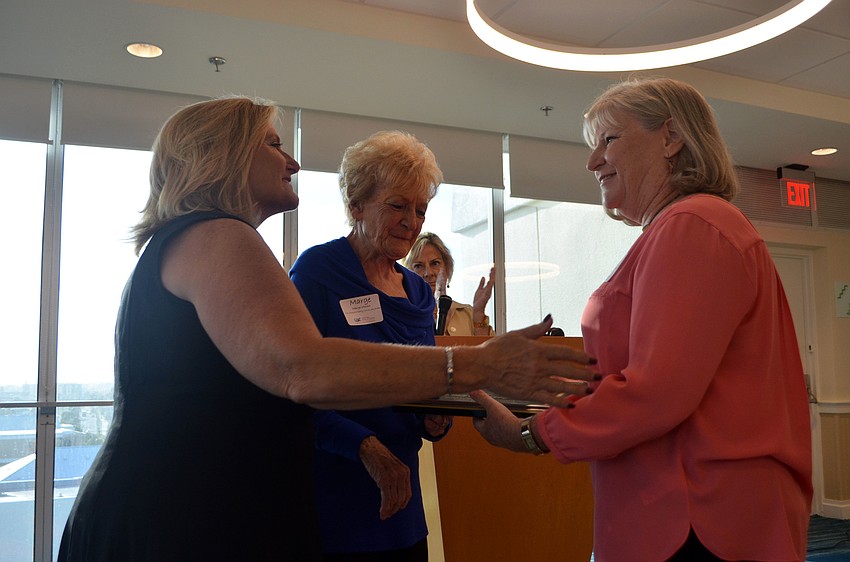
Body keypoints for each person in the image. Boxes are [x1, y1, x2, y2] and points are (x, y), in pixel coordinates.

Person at [56, 97, 598, 562]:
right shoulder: (218, 235)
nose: (291, 160)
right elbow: (304, 370)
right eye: (272, 144)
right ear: (220, 155)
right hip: (176, 522)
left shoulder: (195, 240)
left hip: (185, 512)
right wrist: (481, 361)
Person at [471, 78, 813, 562]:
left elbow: (656, 392)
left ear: (671, 138)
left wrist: (530, 435)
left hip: (700, 519)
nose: (592, 162)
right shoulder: (683, 229)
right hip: (685, 513)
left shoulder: (692, 226)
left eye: (608, 140)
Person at [290, 131, 450, 561]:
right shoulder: (318, 272)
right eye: (397, 205)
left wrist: (437, 419)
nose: (412, 222)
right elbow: (292, 387)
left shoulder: (418, 292)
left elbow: (424, 393)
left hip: (404, 508)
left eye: (420, 209)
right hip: (337, 497)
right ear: (356, 205)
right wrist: (367, 447)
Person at [403, 232, 496, 336]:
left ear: (447, 268)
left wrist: (479, 315)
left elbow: (491, 351)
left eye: (435, 263)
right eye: (418, 266)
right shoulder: (403, 316)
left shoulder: (467, 314)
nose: (428, 273)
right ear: (407, 272)